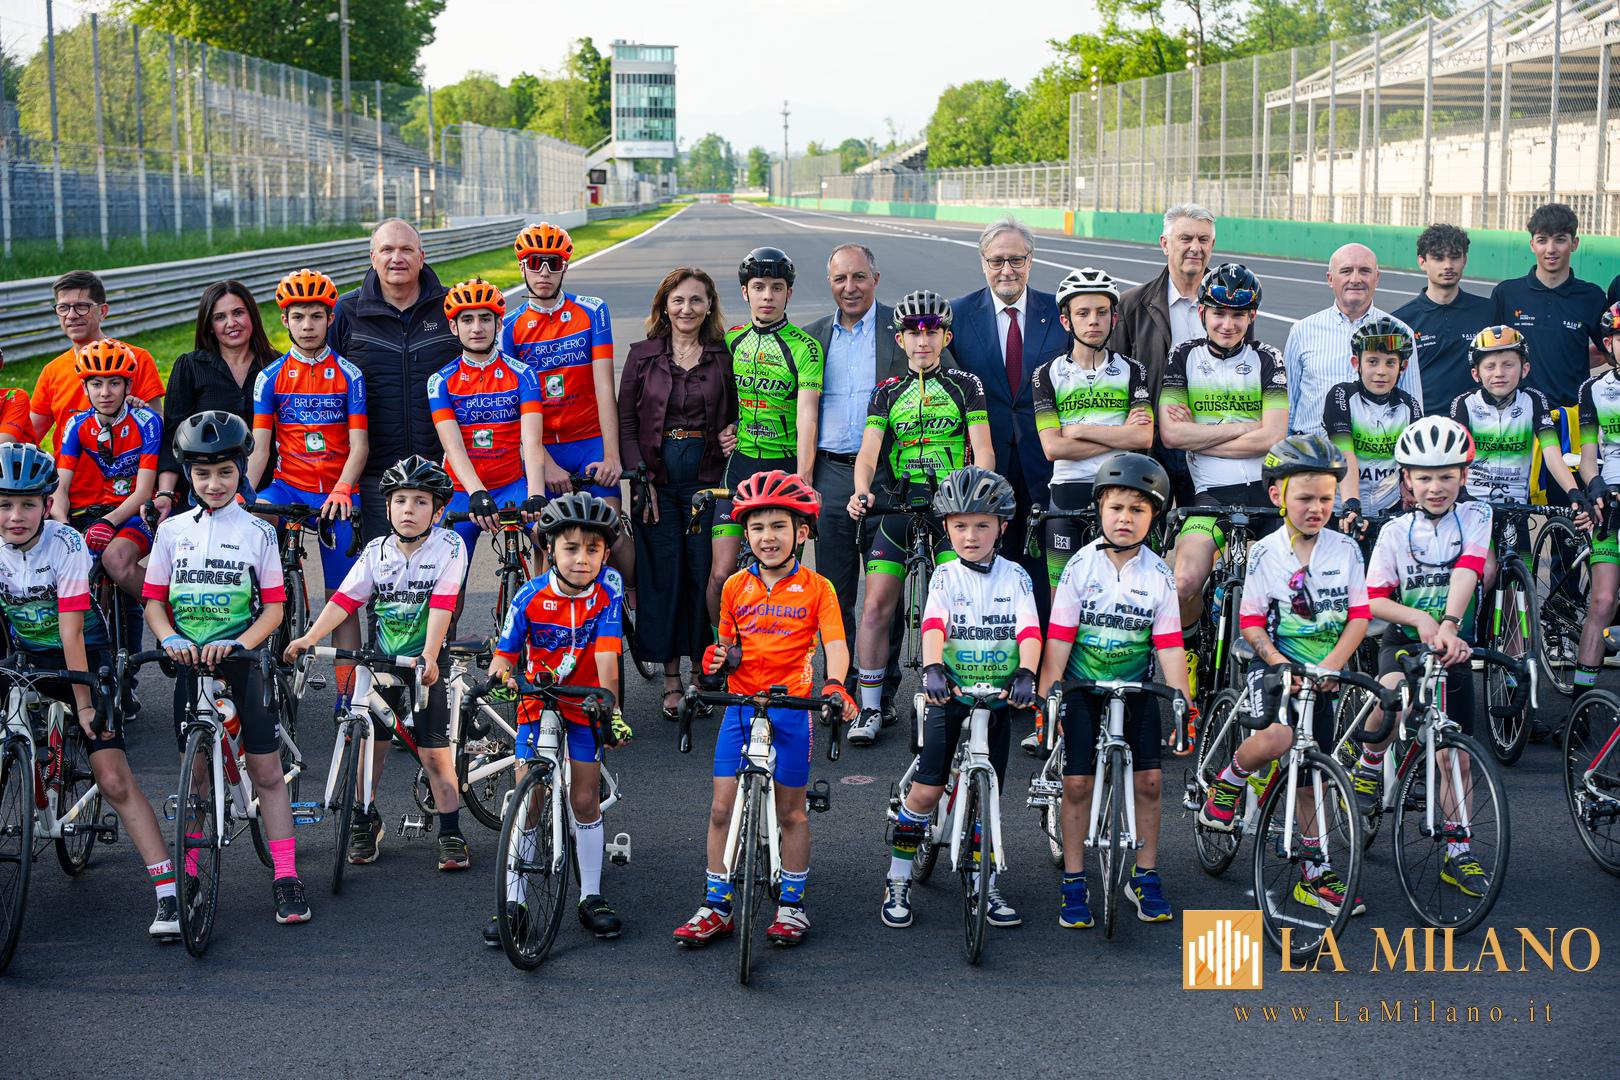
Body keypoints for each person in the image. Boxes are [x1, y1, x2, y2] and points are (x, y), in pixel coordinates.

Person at [0, 442, 179, 940]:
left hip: (84, 653)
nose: (15, 516)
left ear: (47, 504)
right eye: (4, 505)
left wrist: (83, 703)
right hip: (26, 652)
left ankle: (169, 893)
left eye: (28, 504)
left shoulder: (67, 545)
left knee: (112, 773)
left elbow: (72, 633)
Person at [673, 471, 854, 948]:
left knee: (792, 813)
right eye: (756, 528)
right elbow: (727, 646)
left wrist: (836, 684)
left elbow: (835, 644)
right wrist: (719, 658)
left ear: (802, 532)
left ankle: (792, 906)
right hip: (740, 707)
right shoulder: (734, 585)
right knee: (720, 808)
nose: (767, 537)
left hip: (792, 708)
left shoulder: (819, 588)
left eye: (778, 526)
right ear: (745, 534)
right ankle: (715, 905)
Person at [143, 411, 306, 924]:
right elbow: (152, 602)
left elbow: (275, 611)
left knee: (266, 773)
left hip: (241, 660)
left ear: (240, 470)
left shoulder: (258, 531)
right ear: (188, 475)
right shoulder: (170, 532)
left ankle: (286, 877)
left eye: (225, 473)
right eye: (202, 474)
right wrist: (169, 637)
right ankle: (190, 873)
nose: (213, 484)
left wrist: (238, 643)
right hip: (189, 660)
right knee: (193, 778)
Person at [1198, 434, 1369, 918]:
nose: (1317, 508)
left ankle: (1314, 876)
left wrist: (1335, 663)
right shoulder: (1265, 552)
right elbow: (1250, 620)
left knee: (1311, 775)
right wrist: (1277, 662)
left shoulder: (1347, 550)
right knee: (1277, 736)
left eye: (1326, 499)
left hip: (1325, 674)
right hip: (1273, 667)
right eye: (1305, 498)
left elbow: (1359, 615)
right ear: (1277, 497)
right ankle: (1230, 780)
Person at [283, 456, 470, 871]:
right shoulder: (376, 551)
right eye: (400, 500)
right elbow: (345, 601)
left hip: (426, 657)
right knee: (370, 746)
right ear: (386, 508)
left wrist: (430, 655)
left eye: (421, 502)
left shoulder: (450, 546)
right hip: (383, 656)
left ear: (438, 512)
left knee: (434, 753)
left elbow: (442, 604)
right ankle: (365, 820)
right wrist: (310, 637)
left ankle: (451, 831)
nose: (409, 509)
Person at [881, 466, 1039, 930]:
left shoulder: (1017, 577)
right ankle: (898, 877)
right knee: (928, 790)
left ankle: (983, 882)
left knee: (988, 795)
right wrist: (931, 668)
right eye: (960, 526)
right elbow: (933, 626)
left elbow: (1029, 629)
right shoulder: (946, 576)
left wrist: (1027, 671)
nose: (971, 536)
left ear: (1002, 528)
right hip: (949, 692)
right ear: (947, 528)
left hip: (997, 699)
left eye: (982, 525)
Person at [1039, 453, 1188, 928]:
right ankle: (1074, 882)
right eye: (1117, 508)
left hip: (1136, 686)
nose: (1126, 518)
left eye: (1138, 510)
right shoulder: (1080, 568)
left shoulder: (1159, 575)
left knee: (1150, 782)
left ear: (1154, 517)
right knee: (1078, 783)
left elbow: (1169, 646)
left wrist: (1182, 702)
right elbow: (1058, 642)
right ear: (1099, 509)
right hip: (1084, 685)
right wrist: (1049, 699)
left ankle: (1144, 876)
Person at [1351, 416, 1494, 900]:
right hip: (1404, 639)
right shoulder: (1393, 531)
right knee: (1391, 698)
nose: (1437, 487)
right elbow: (1373, 601)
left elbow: (1468, 572)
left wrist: (1449, 624)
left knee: (1455, 754)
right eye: (1425, 477)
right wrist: (1419, 619)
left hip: (1450, 645)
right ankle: (1370, 762)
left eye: (1447, 476)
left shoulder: (1476, 517)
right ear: (1406, 479)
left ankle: (1459, 852)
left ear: (1464, 477)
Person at [482, 492, 631, 945]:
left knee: (584, 800)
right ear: (549, 549)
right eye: (571, 548)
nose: (582, 559)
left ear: (606, 552)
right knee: (530, 802)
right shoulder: (529, 594)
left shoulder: (609, 587)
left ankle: (591, 895)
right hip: (537, 701)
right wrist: (501, 677)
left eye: (593, 549)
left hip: (585, 700)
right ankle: (514, 901)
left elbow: (607, 655)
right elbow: (503, 656)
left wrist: (612, 709)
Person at [845, 291, 993, 746]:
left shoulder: (966, 384)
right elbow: (868, 454)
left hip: (952, 508)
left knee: (959, 607)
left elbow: (982, 447)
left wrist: (983, 493)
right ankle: (870, 708)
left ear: (945, 336)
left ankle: (959, 700)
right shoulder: (886, 392)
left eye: (931, 332)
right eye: (914, 332)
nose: (923, 340)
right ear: (902, 339)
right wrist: (861, 490)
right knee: (875, 605)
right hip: (897, 504)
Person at [618, 268, 736, 717]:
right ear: (664, 306)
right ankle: (670, 677)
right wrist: (639, 475)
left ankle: (701, 674)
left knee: (702, 574)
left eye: (696, 301)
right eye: (678, 300)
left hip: (709, 480)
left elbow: (741, 411)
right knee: (662, 575)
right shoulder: (643, 356)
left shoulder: (723, 356)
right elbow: (626, 420)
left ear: (709, 307)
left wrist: (735, 429)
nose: (687, 309)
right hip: (656, 483)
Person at [248, 269, 368, 709]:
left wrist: (341, 489)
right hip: (288, 488)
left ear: (329, 318)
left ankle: (346, 694)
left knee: (343, 596)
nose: (307, 326)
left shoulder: (349, 375)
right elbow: (260, 450)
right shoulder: (271, 377)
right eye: (298, 317)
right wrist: (242, 494)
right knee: (248, 530)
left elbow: (360, 446)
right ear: (285, 320)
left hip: (338, 490)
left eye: (316, 316)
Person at [803, 244, 912, 717]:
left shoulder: (905, 332)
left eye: (859, 277)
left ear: (876, 278)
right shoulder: (811, 339)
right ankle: (840, 687)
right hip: (829, 474)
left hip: (889, 476)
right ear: (829, 282)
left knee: (884, 592)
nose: (850, 287)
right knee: (834, 590)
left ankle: (882, 692)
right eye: (840, 278)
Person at [1158, 263, 1289, 635]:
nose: (1227, 324)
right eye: (1218, 313)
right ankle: (1190, 653)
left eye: (1238, 315)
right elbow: (1170, 435)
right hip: (1211, 497)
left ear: (1252, 316)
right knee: (1183, 582)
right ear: (1202, 312)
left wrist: (1201, 430)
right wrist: (1249, 427)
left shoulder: (1268, 357)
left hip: (1269, 496)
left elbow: (1274, 438)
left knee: (1293, 587)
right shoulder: (1183, 356)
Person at [949, 218, 1068, 591]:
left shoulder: (1062, 315)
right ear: (983, 262)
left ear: (1030, 261)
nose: (1006, 270)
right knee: (988, 572)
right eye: (997, 260)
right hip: (988, 460)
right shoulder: (958, 314)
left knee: (1045, 572)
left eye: (1016, 260)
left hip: (1046, 462)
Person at [707, 247, 824, 627]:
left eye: (777, 288)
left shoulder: (805, 347)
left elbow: (808, 412)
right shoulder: (732, 340)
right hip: (739, 465)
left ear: (789, 293)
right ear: (745, 293)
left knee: (786, 579)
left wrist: (804, 476)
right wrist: (726, 427)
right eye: (759, 287)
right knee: (721, 574)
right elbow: (718, 396)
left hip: (786, 467)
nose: (768, 296)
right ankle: (719, 651)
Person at [328, 218, 460, 544]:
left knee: (442, 579)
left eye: (406, 249)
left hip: (441, 470)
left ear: (421, 256)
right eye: (387, 249)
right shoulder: (345, 312)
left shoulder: (452, 308)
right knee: (382, 578)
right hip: (375, 475)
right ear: (373, 257)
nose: (396, 258)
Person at [1032, 267, 1153, 589]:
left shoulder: (1133, 370)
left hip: (1121, 488)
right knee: (1062, 598)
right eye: (1083, 313)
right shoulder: (1046, 374)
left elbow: (1142, 437)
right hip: (1067, 489)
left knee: (1124, 591)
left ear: (1114, 318)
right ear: (1066, 321)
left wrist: (1077, 429)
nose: (1093, 321)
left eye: (1102, 312)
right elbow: (1053, 448)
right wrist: (1119, 436)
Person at [500, 223, 623, 509]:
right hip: (541, 446)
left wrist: (612, 456)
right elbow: (513, 405)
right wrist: (544, 463)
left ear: (564, 267)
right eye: (535, 263)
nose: (544, 272)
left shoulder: (593, 311)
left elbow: (605, 386)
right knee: (543, 539)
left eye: (553, 263)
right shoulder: (507, 327)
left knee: (611, 528)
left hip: (590, 439)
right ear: (522, 267)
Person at [427, 278, 545, 558]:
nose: (477, 328)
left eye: (485, 319)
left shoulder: (523, 374)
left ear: (499, 323)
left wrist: (536, 493)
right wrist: (477, 492)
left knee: (550, 541)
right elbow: (452, 446)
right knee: (449, 580)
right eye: (467, 320)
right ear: (454, 327)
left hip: (511, 485)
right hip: (461, 490)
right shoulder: (440, 381)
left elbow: (531, 441)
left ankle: (540, 599)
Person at [1112, 204, 1217, 507]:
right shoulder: (1131, 305)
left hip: (1207, 440)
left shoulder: (1230, 306)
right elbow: (1116, 375)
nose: (1195, 248)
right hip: (1151, 444)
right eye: (1185, 239)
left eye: (1203, 240)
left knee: (1201, 539)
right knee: (1143, 538)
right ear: (1165, 244)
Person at [49, 338, 162, 603]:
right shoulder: (77, 425)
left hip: (140, 511)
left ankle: (173, 618)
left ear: (128, 385)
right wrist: (67, 531)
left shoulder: (147, 421)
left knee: (117, 560)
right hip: (103, 510)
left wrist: (108, 522)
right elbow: (61, 488)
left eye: (114, 382)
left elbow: (144, 490)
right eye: (96, 384)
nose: (105, 393)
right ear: (84, 387)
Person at [156, 281, 279, 520]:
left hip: (266, 489)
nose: (231, 323)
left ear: (252, 315)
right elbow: (174, 435)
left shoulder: (276, 366)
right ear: (210, 326)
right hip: (204, 490)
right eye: (220, 317)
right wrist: (165, 493)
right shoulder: (190, 366)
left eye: (238, 313)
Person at [1448, 325, 1588, 517]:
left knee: (1521, 549)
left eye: (1508, 364)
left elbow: (1551, 452)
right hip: (1471, 502)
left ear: (1525, 369)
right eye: (1490, 366)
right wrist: (1460, 493)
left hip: (1516, 505)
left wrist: (1573, 491)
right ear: (1476, 374)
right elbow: (1455, 457)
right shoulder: (1465, 403)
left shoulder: (1534, 400)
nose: (1499, 373)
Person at [1284, 243, 1423, 433]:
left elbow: (1412, 408)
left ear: (1377, 278)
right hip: (1312, 453)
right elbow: (1287, 405)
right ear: (1330, 278)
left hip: (1375, 457)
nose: (1355, 279)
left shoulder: (1400, 333)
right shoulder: (1302, 331)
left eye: (1364, 271)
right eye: (1346, 271)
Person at [1490, 203, 1607, 410]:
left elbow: (1606, 350)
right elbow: (1490, 352)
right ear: (1532, 244)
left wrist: (1571, 361)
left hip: (1572, 415)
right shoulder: (1507, 293)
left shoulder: (1592, 297)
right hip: (1517, 416)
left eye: (1560, 240)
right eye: (1542, 240)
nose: (1551, 249)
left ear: (1574, 243)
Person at [31, 270, 165, 449]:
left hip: (127, 475)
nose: (71, 315)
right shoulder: (52, 371)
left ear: (102, 311)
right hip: (69, 476)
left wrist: (138, 412)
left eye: (82, 306)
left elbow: (158, 427)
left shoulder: (137, 358)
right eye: (63, 308)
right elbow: (30, 434)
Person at [1323, 317, 1422, 533]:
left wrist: (1410, 487)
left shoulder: (1409, 405)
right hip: (1343, 509)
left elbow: (1412, 461)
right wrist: (1351, 505)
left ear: (1402, 367)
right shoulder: (1342, 395)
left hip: (1389, 510)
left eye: (1390, 362)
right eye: (1372, 361)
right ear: (1356, 363)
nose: (1381, 371)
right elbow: (1344, 452)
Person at [1391, 224, 1495, 417]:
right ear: (1422, 262)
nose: (1447, 265)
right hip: (1423, 425)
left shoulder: (1488, 311)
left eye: (1454, 257)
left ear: (1464, 259)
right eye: (1438, 258)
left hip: (1480, 425)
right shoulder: (1401, 321)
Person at [1573, 302, 1620, 702]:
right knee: (1603, 600)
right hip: (1613, 502)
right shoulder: (1594, 390)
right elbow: (1589, 459)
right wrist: (1598, 486)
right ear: (1608, 343)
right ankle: (1580, 706)